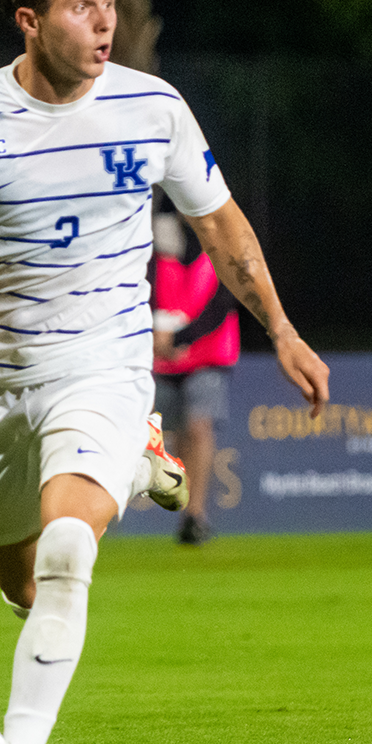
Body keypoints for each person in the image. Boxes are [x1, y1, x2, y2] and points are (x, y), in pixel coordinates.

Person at [0, 0, 329, 744]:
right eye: (81, 6)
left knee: (65, 554)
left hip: (105, 364)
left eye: (111, 5)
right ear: (28, 19)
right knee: (21, 587)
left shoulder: (153, 109)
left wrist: (280, 328)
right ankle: (136, 462)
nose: (104, 25)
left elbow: (222, 229)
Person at [151, 211, 241, 544]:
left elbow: (222, 303)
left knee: (199, 426)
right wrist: (155, 336)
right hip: (162, 358)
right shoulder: (155, 241)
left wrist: (180, 338)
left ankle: (195, 516)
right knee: (171, 436)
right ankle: (183, 506)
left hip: (208, 354)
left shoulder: (222, 240)